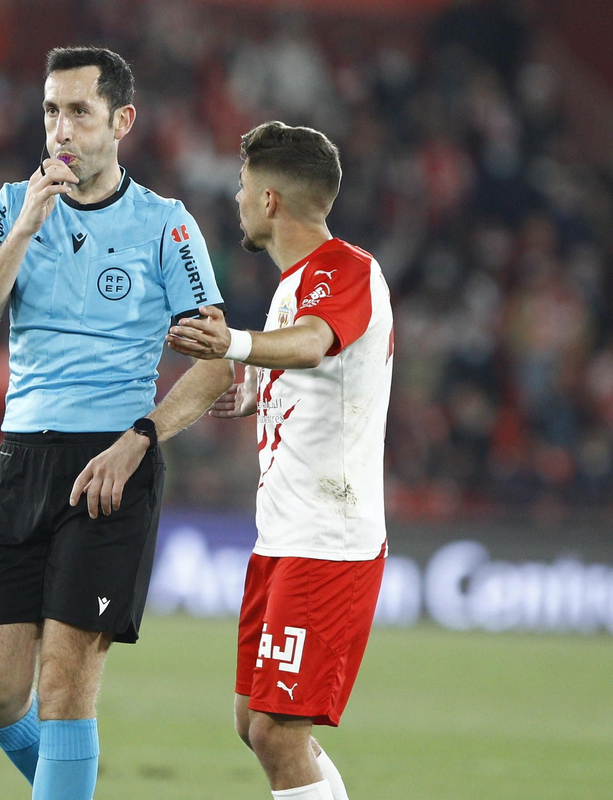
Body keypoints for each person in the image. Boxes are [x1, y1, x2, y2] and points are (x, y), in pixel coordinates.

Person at [0, 46, 235, 800]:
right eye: (51, 110)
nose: (61, 128)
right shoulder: (13, 206)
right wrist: (23, 230)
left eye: (80, 111)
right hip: (23, 458)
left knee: (66, 685)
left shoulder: (166, 226)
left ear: (121, 121)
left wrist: (141, 437)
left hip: (111, 465)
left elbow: (216, 363)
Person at [169, 121, 394, 800]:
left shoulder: (345, 269)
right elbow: (309, 368)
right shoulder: (294, 284)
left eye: (243, 185)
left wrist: (235, 344)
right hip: (283, 536)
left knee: (278, 732)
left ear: (270, 199)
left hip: (328, 541)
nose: (237, 198)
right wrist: (254, 394)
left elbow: (313, 344)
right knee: (254, 722)